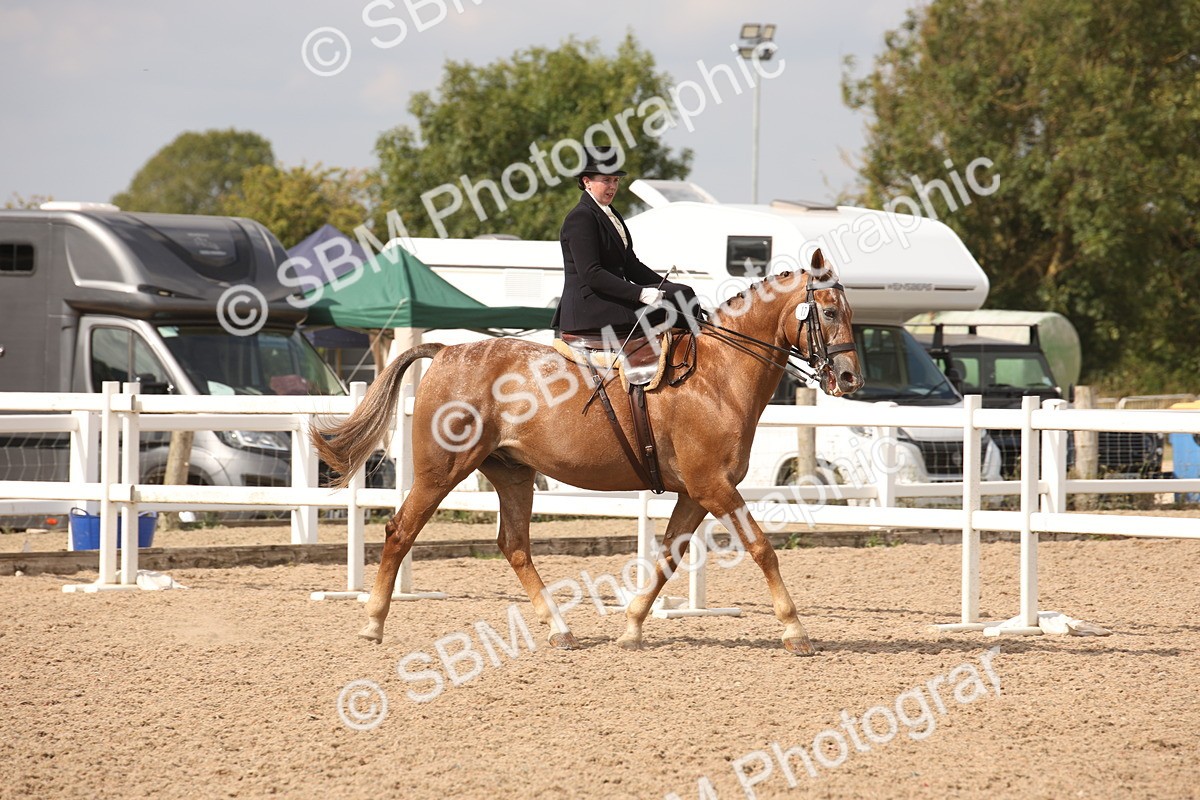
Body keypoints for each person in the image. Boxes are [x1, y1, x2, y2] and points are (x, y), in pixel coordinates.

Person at [552, 147, 702, 338]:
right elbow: (592, 273)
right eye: (606, 180)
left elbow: (630, 265)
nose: (613, 186)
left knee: (682, 294)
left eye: (616, 180)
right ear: (586, 181)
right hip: (590, 306)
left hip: (608, 299)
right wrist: (640, 293)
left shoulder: (612, 214)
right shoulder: (581, 217)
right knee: (671, 307)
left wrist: (666, 287)